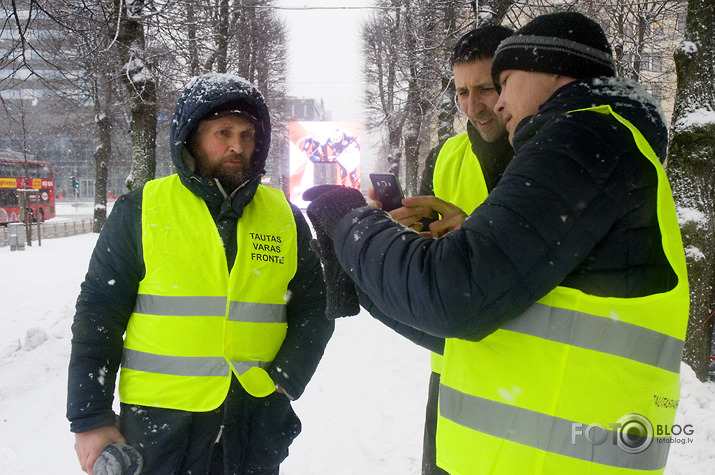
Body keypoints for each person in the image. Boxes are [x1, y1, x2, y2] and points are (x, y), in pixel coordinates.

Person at [305, 12, 689, 473]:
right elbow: (478, 317)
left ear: (553, 67)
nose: (496, 103)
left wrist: (350, 220)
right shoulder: (601, 146)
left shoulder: (584, 137)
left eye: (501, 82)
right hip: (534, 445)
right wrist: (364, 270)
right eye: (464, 92)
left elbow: (452, 294)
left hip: (553, 454)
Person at [67, 73, 334, 475]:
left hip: (253, 424)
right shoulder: (142, 210)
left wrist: (287, 378)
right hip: (161, 428)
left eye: (247, 135)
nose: (237, 146)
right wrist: (90, 419)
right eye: (222, 132)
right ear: (191, 137)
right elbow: (98, 314)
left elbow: (316, 306)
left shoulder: (284, 217)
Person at [367, 25, 513, 475]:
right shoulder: (446, 155)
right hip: (454, 366)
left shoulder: (545, 151)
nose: (474, 106)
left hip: (526, 366)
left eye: (485, 88)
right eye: (463, 92)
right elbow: (426, 263)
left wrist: (472, 236)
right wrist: (401, 231)